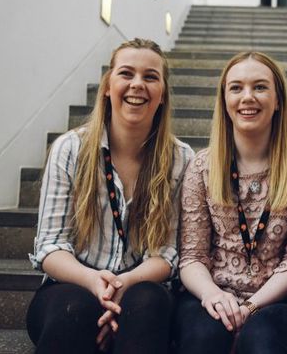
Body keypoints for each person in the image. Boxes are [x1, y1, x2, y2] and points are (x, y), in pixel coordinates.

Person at [26, 38, 194, 354]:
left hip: (143, 291)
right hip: (72, 285)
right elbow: (49, 246)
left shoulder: (181, 158)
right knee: (74, 310)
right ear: (107, 86)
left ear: (162, 95)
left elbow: (169, 254)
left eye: (150, 77)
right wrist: (95, 284)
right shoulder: (70, 149)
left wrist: (123, 286)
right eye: (126, 74)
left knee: (146, 303)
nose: (137, 85)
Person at [174, 52, 287, 354]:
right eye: (236, 87)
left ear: (278, 100)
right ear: (224, 99)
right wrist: (214, 296)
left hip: (278, 300)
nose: (247, 97)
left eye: (260, 87)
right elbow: (191, 257)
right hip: (211, 293)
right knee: (203, 341)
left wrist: (251, 307)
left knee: (263, 344)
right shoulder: (202, 166)